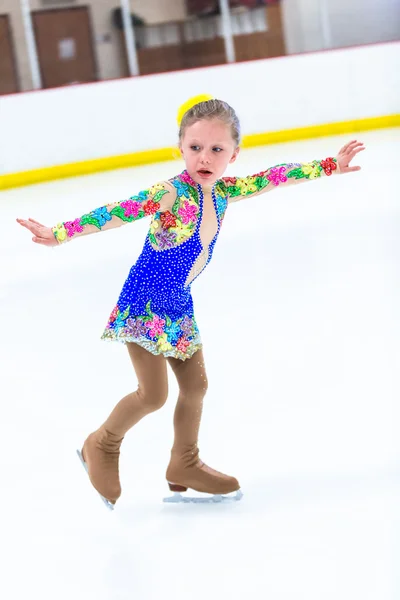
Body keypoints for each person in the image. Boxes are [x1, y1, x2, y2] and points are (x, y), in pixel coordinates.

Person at [16, 95, 365, 509]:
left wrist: (330, 165)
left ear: (234, 154)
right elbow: (118, 211)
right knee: (153, 395)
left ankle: (184, 463)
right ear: (180, 148)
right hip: (145, 305)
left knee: (196, 386)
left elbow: (276, 175)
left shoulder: (223, 191)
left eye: (217, 149)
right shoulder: (170, 193)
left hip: (178, 304)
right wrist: (62, 232)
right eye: (195, 147)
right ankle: (101, 445)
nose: (205, 157)